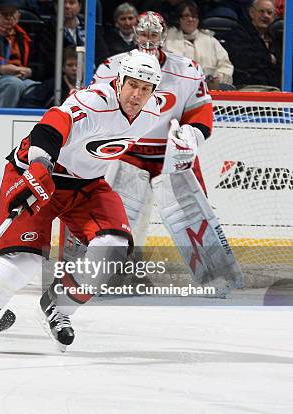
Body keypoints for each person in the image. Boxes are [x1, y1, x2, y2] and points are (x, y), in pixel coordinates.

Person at [0, 50, 162, 353]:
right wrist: (39, 164)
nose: (137, 94)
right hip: (36, 173)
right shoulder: (94, 102)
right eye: (132, 84)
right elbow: (51, 126)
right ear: (119, 80)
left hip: (86, 186)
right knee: (23, 264)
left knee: (113, 248)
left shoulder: (152, 111)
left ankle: (58, 307)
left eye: (145, 89)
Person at [94, 12, 242, 287]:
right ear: (135, 34)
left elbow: (200, 113)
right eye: (143, 33)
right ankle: (117, 270)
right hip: (128, 153)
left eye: (153, 34)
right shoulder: (110, 68)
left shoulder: (187, 69)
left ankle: (215, 273)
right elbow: (96, 110)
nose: (148, 40)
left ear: (163, 36)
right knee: (117, 216)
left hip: (172, 158)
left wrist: (192, 136)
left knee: (194, 213)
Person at [165, 1, 234, 89]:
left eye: (194, 16)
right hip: (178, 88)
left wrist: (218, 78)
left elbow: (225, 65)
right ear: (179, 19)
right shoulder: (168, 40)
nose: (190, 19)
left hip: (211, 89)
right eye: (186, 16)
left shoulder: (210, 40)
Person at [223, 0, 281, 88]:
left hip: (275, 88)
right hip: (248, 86)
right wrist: (269, 58)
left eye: (269, 13)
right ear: (252, 13)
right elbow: (245, 60)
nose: (265, 16)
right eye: (261, 11)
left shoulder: (277, 38)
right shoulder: (239, 34)